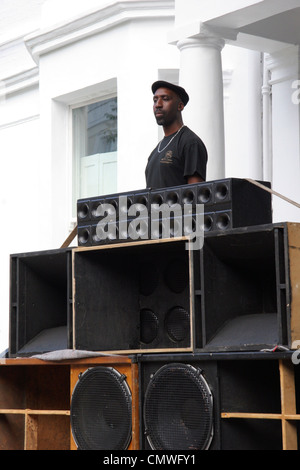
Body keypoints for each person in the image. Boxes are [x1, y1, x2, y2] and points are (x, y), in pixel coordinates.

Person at [145, 80, 208, 189]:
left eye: (165, 99)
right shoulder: (154, 152)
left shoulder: (190, 143)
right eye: (155, 100)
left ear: (180, 106)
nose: (158, 105)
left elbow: (196, 195)